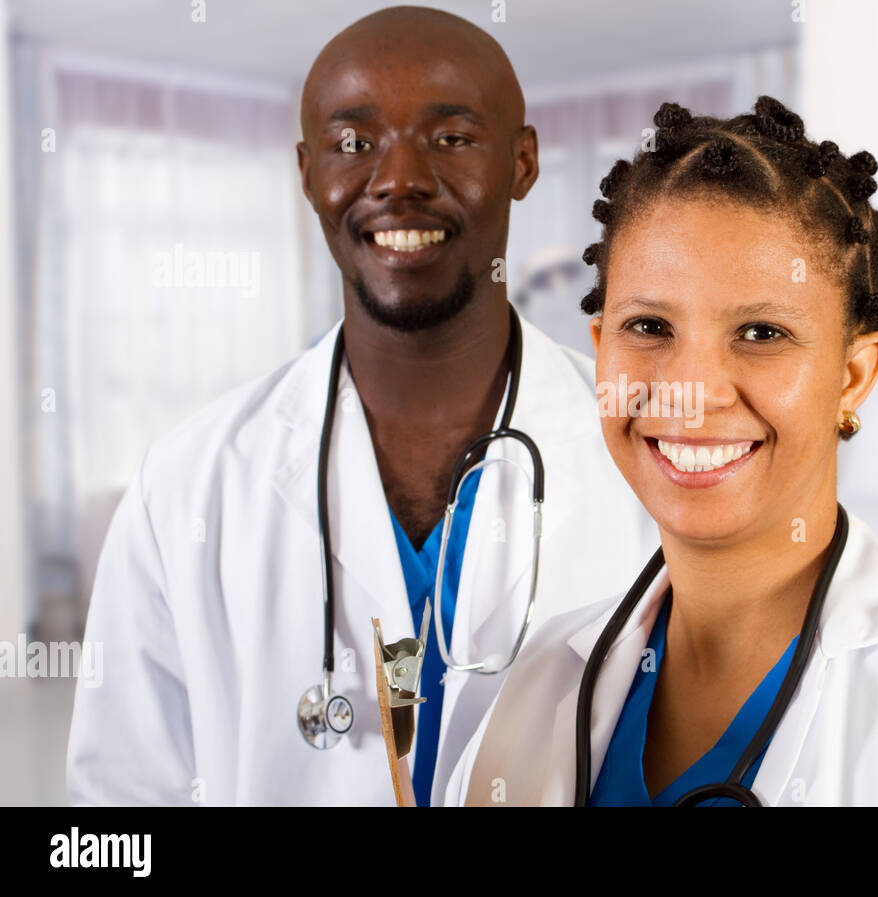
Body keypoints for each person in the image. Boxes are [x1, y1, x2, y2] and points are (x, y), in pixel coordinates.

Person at [445, 97, 878, 806]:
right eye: (649, 325)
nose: (691, 390)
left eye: (761, 333)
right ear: (601, 353)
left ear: (853, 375)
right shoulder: (533, 689)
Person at [65, 7, 656, 807]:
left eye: (450, 137)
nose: (399, 178)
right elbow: (119, 806)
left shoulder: (649, 451)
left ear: (522, 162)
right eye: (353, 143)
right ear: (308, 174)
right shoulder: (188, 485)